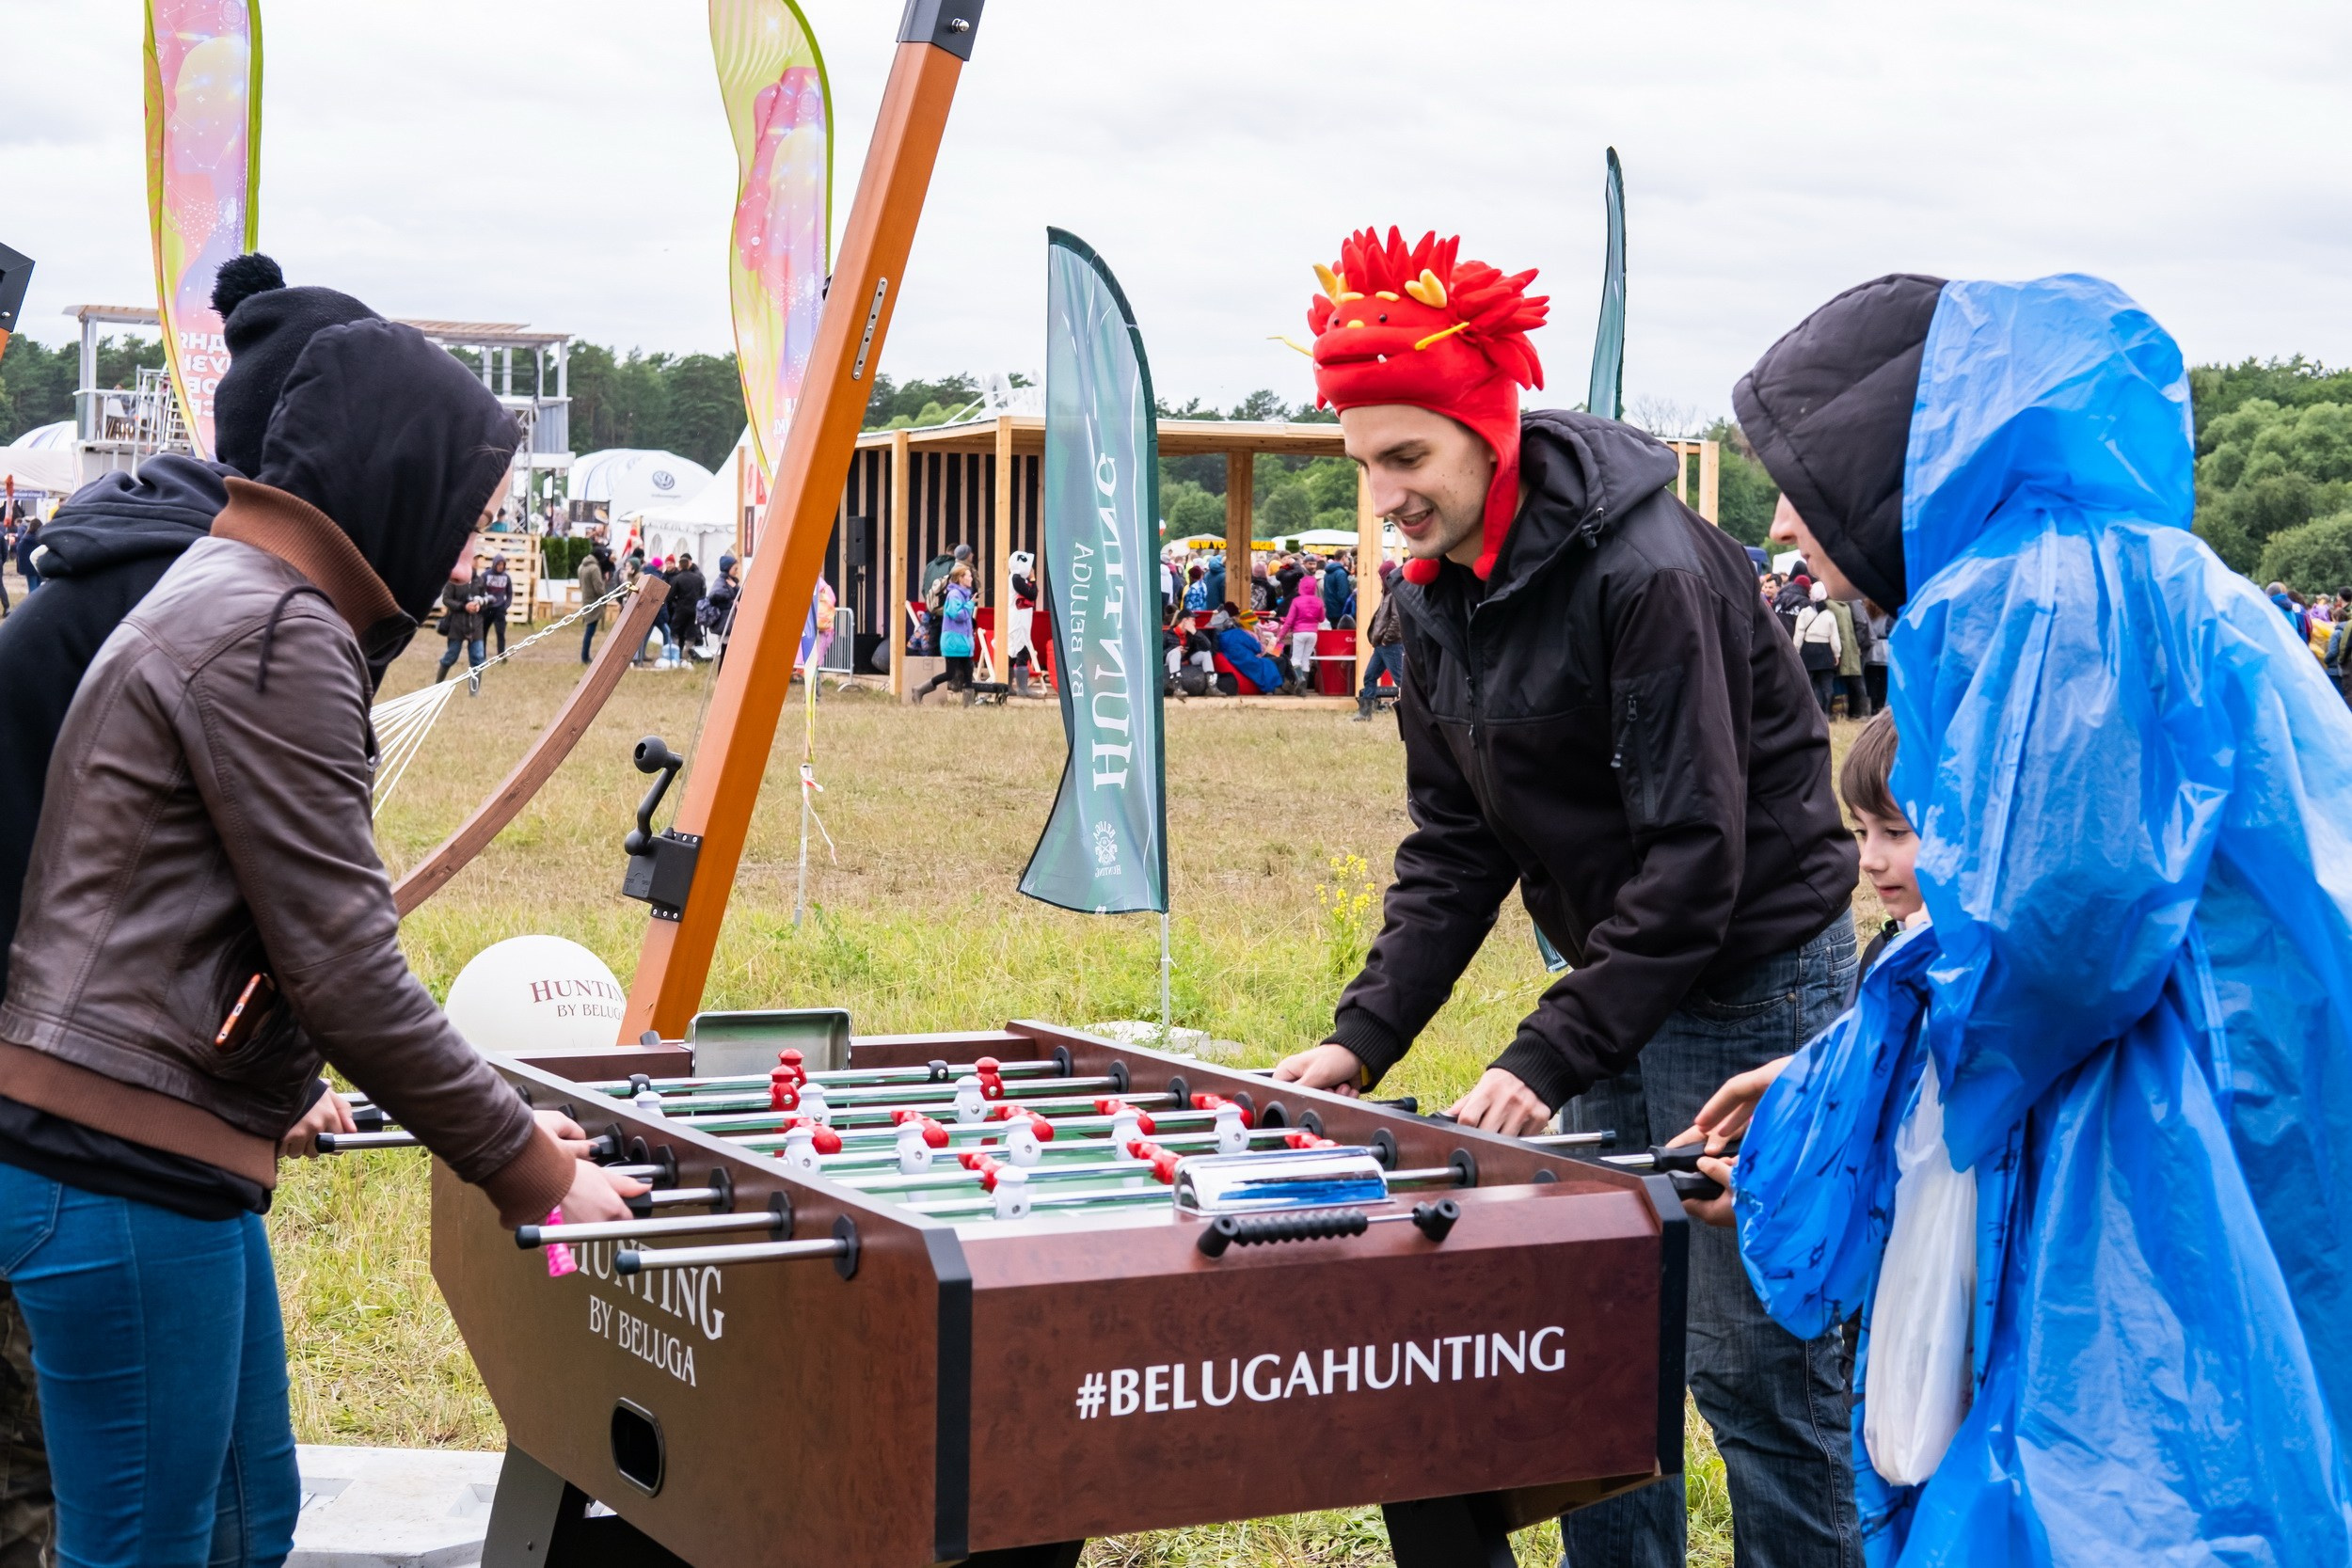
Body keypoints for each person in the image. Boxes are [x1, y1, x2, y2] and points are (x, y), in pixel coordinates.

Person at [1724, 272, 2352, 1563]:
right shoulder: (2123, 574)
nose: (1783, 521)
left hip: (2159, 1139)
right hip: (2254, 1089)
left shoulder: (2044, 595)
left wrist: (1847, 1097)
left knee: (2124, 1491)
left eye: (1798, 478)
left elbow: (2045, 950)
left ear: (1880, 462)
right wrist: (1836, 1067)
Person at [0, 315, 643, 1568]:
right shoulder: (277, 630)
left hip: (149, 1149)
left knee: (249, 1522)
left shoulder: (233, 587)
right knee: (148, 1550)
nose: (469, 553)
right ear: (400, 481)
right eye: (470, 515)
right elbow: (346, 966)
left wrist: (291, 1082)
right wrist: (530, 1168)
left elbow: (207, 908)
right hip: (119, 1167)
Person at [1267, 226, 1860, 1568]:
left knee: (1755, 1364)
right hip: (1609, 973)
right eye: (1363, 463)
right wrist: (1363, 1034)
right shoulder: (1429, 596)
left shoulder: (1647, 574)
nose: (1384, 496)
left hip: (1752, 972)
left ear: (1487, 432)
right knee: (1591, 1347)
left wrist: (1542, 1055)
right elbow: (1454, 846)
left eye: (1406, 457)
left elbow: (1696, 860)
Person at [914, 562, 977, 703]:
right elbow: (957, 615)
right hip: (954, 641)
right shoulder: (954, 595)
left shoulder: (963, 595)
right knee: (950, 674)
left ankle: (969, 706)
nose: (971, 578)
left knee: (968, 672)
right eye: (968, 576)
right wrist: (970, 605)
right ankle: (920, 689)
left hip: (962, 642)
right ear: (961, 578)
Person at [1353, 559, 1404, 721]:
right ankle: (1365, 713)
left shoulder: (1394, 594)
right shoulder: (1389, 593)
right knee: (1370, 676)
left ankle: (1417, 710)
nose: (1378, 578)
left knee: (1401, 679)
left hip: (1390, 644)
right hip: (1383, 645)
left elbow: (1397, 620)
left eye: (1380, 575)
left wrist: (1386, 639)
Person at [433, 561, 486, 692]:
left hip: (476, 626)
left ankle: (474, 692)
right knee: (450, 657)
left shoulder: (480, 581)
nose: (475, 562)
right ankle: (437, 687)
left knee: (478, 659)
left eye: (477, 559)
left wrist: (479, 605)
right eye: (474, 559)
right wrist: (464, 606)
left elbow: (485, 600)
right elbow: (446, 599)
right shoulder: (454, 580)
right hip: (457, 625)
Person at [1792, 579, 1842, 712]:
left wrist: (1796, 650)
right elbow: (1834, 637)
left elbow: (1799, 635)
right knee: (1827, 685)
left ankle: (1810, 711)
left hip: (1808, 650)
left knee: (1808, 683)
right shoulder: (1830, 615)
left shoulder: (1804, 613)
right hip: (1825, 651)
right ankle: (1826, 712)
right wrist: (1837, 654)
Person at [1274, 571, 1325, 694]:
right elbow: (1322, 618)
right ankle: (1303, 689)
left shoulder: (1296, 601)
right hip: (1313, 633)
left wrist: (1280, 636)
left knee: (1295, 659)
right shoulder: (1319, 601)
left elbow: (1289, 621)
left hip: (1299, 633)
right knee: (1306, 659)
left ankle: (1300, 678)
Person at [662, 552, 706, 666]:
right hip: (694, 610)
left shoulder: (677, 579)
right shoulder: (698, 578)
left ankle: (676, 655)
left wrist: (676, 602)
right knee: (691, 633)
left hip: (681, 609)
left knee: (676, 632)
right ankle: (687, 656)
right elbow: (702, 594)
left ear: (680, 566)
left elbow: (670, 597)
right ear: (689, 564)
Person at [577, 545, 612, 664]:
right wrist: (605, 596)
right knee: (590, 631)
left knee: (589, 629)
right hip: (594, 602)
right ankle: (585, 656)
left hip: (586, 599)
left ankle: (584, 655)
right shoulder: (594, 568)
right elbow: (598, 588)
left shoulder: (582, 566)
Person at [480, 552, 513, 657]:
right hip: (487, 609)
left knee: (501, 634)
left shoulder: (506, 577)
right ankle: (481, 656)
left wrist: (506, 606)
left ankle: (501, 656)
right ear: (494, 564)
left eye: (502, 565)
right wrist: (483, 603)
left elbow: (510, 593)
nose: (500, 567)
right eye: (499, 564)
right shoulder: (485, 575)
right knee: (482, 633)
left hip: (500, 609)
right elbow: (480, 590)